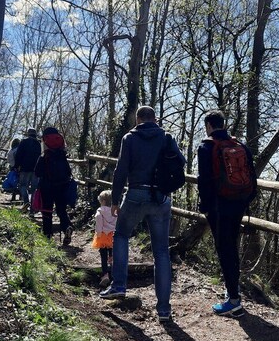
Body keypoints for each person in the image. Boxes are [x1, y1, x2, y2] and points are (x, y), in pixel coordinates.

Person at [100, 106, 186, 323]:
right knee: (161, 252)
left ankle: (119, 285)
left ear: (138, 119)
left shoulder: (130, 138)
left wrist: (116, 200)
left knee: (121, 235)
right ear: (154, 119)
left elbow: (121, 170)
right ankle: (164, 310)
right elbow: (181, 162)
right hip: (161, 197)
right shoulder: (166, 137)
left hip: (136, 193)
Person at [196, 110, 257, 317]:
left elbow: (203, 181)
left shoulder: (206, 147)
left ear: (209, 126)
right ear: (223, 124)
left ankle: (234, 301)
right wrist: (244, 200)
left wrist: (205, 207)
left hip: (218, 206)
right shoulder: (240, 146)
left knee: (225, 249)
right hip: (238, 203)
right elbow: (253, 179)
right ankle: (233, 292)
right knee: (232, 246)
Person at [34, 127, 73, 244]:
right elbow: (68, 172)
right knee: (61, 210)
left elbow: (37, 172)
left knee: (47, 210)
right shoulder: (63, 155)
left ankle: (47, 236)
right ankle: (66, 227)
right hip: (62, 186)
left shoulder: (44, 156)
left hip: (46, 187)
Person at [92, 190, 116, 287]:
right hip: (113, 235)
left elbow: (99, 224)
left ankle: (105, 274)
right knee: (112, 255)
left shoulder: (100, 211)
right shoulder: (115, 211)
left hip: (103, 236)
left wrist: (98, 234)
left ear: (103, 201)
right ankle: (114, 274)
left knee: (103, 255)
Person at [14, 129, 41, 212]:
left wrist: (16, 165)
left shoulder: (24, 142)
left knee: (22, 185)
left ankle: (26, 201)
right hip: (35, 170)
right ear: (35, 134)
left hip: (24, 168)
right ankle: (32, 210)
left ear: (28, 134)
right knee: (34, 189)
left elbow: (18, 154)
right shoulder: (38, 143)